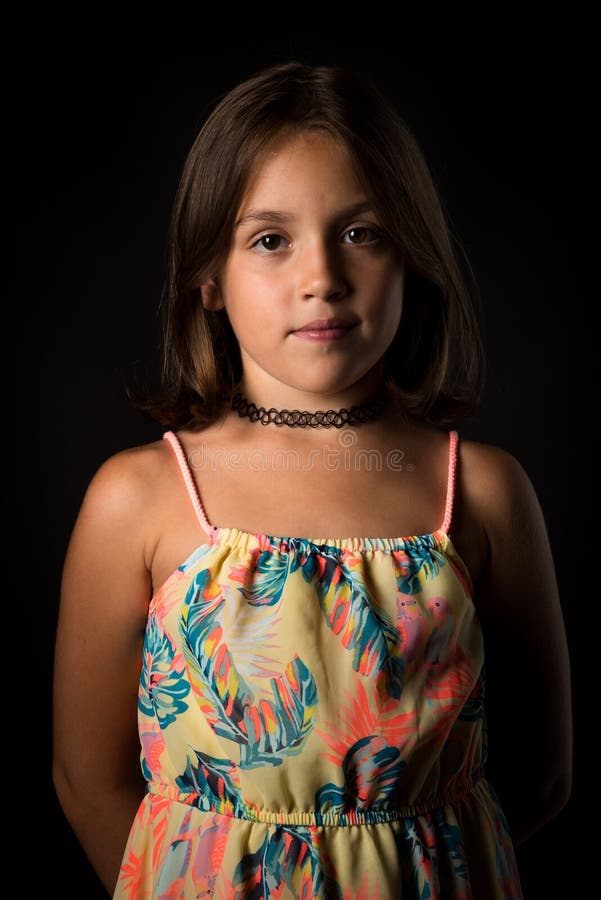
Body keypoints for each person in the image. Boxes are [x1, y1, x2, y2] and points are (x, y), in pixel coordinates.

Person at [52, 61, 572, 899]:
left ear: (413, 256)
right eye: (270, 239)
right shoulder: (138, 499)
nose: (321, 276)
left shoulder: (479, 491)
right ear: (207, 278)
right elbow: (88, 781)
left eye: (361, 233)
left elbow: (541, 777)